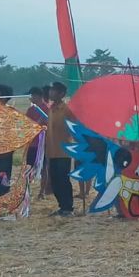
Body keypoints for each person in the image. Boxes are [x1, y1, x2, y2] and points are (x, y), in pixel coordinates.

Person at [45, 82, 75, 216]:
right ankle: (62, 206)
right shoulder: (51, 109)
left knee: (63, 180)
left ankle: (68, 207)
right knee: (55, 180)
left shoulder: (67, 109)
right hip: (52, 150)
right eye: (50, 90)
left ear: (61, 94)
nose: (51, 93)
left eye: (54, 91)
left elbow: (75, 127)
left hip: (64, 151)